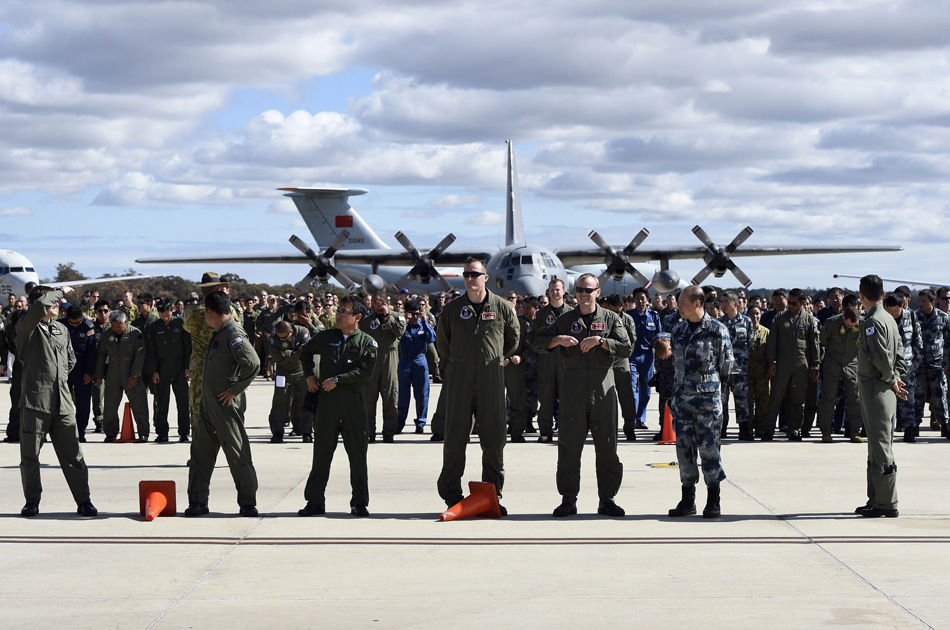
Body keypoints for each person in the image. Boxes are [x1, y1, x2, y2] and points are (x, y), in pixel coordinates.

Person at [535, 274, 631, 517]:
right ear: (574, 293)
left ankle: (607, 499)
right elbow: (536, 341)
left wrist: (601, 341)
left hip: (603, 391)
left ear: (598, 292)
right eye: (580, 290)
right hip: (573, 392)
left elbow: (627, 346)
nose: (584, 294)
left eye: (589, 290)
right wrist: (557, 340)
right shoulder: (566, 320)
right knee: (568, 448)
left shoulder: (610, 318)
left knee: (608, 448)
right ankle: (568, 500)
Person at [436, 257, 519, 512]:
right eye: (466, 274)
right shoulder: (452, 310)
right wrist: (461, 362)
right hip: (460, 381)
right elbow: (443, 343)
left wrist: (493, 359)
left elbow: (513, 338)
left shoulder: (503, 307)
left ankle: (491, 496)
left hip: (491, 380)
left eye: (475, 274)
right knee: (454, 438)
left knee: (494, 440)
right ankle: (452, 495)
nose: (470, 279)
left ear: (486, 277)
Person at [16, 285, 97, 518]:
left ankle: (84, 500)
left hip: (62, 402)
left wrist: (57, 379)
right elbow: (41, 306)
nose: (57, 304)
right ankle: (32, 501)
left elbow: (70, 361)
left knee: (74, 456)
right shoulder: (27, 327)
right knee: (30, 456)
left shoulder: (61, 328)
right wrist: (60, 290)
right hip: (35, 403)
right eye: (51, 300)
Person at [298, 295, 377, 517]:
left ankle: (359, 503)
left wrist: (339, 380)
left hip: (353, 405)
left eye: (344, 311)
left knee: (358, 457)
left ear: (357, 317)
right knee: (321, 454)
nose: (338, 314)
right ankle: (314, 502)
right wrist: (309, 376)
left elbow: (365, 371)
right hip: (327, 406)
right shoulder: (325, 337)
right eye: (339, 310)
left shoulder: (366, 342)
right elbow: (304, 353)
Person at [185, 291, 260, 517]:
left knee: (237, 453)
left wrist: (234, 390)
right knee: (200, 454)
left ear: (210, 313)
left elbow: (253, 363)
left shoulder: (232, 332)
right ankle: (198, 502)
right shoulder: (219, 333)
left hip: (225, 405)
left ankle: (247, 502)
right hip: (208, 404)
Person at [667, 285, 733, 519]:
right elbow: (675, 366)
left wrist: (716, 396)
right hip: (682, 403)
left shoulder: (717, 330)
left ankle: (713, 500)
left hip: (707, 405)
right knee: (684, 453)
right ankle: (688, 501)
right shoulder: (678, 331)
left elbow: (726, 367)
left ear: (697, 304)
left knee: (710, 452)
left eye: (682, 304)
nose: (679, 308)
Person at [855, 275, 907, 518]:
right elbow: (899, 354)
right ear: (883, 294)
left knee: (881, 445)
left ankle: (887, 502)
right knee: (876, 445)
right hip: (883, 387)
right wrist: (897, 377)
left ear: (861, 295)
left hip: (877, 387)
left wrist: (891, 379)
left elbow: (881, 357)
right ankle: (875, 498)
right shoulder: (889, 318)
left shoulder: (872, 322)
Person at [762, 288, 820, 441]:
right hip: (782, 364)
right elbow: (772, 341)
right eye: (790, 302)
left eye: (794, 303)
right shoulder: (780, 318)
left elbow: (814, 344)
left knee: (798, 400)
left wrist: (815, 364)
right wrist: (771, 362)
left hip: (801, 364)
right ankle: (768, 430)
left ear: (802, 303)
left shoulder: (809, 320)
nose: (791, 306)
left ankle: (794, 430)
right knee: (775, 397)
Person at [94, 310, 150, 442]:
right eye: (113, 326)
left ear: (126, 322)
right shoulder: (107, 335)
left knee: (139, 405)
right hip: (113, 375)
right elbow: (101, 355)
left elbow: (140, 355)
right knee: (110, 407)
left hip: (131, 375)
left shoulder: (135, 334)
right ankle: (111, 433)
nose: (116, 329)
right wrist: (99, 375)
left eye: (119, 326)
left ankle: (143, 433)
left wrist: (134, 375)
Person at [360, 293, 406, 442]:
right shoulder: (367, 320)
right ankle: (369, 432)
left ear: (385, 303)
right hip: (372, 358)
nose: (375, 305)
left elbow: (400, 332)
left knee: (391, 396)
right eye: (373, 303)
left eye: (378, 302)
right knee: (369, 398)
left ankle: (389, 432)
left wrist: (388, 317)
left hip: (390, 357)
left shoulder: (397, 317)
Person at [816, 296, 863, 443]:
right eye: (849, 325)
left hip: (852, 364)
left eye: (853, 325)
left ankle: (855, 431)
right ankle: (826, 432)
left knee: (855, 399)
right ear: (844, 317)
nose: (851, 327)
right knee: (828, 399)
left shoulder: (863, 324)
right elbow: (822, 342)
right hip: (833, 363)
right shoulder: (831, 323)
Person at [146, 299, 192, 443]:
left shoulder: (180, 324)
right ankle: (162, 433)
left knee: (183, 402)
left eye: (168, 314)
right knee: (162, 402)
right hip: (162, 369)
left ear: (172, 311)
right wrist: (154, 371)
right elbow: (151, 351)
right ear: (158, 313)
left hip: (179, 368)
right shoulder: (154, 327)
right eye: (163, 315)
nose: (166, 317)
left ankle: (184, 433)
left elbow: (188, 347)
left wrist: (188, 367)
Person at [884, 292, 923, 442]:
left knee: (908, 398)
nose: (894, 314)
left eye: (897, 311)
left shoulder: (911, 317)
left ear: (902, 306)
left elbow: (917, 341)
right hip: (888, 365)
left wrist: (916, 362)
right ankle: (886, 430)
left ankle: (909, 429)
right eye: (891, 311)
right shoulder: (883, 319)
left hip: (907, 364)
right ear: (886, 307)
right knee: (887, 399)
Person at [534, 279, 569, 442]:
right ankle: (545, 431)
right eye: (552, 290)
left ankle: (566, 430)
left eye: (558, 290)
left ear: (564, 291)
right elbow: (535, 339)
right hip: (547, 362)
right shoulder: (541, 314)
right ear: (548, 292)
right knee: (546, 399)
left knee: (567, 399)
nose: (555, 292)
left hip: (566, 363)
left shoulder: (572, 313)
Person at [267, 319, 312, 443]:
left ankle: (306, 431)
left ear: (291, 332)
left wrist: (286, 353)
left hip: (301, 372)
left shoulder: (303, 332)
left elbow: (305, 353)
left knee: (304, 401)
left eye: (284, 338)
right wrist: (294, 354)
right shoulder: (274, 336)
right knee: (279, 402)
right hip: (283, 373)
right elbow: (276, 357)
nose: (281, 340)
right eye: (280, 338)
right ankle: (277, 432)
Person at [914, 289, 950, 437]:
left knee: (940, 396)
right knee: (918, 397)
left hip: (937, 365)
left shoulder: (943, 318)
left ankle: (945, 426)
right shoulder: (914, 316)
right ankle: (913, 426)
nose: (921, 304)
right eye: (920, 301)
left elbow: (948, 342)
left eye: (924, 301)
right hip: (919, 365)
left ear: (932, 302)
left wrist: (946, 364)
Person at [58, 305, 97, 442]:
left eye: (77, 322)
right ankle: (64, 432)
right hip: (63, 370)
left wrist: (89, 372)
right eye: (72, 323)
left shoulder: (88, 327)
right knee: (62, 403)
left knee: (83, 404)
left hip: (82, 371)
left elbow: (92, 352)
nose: (75, 325)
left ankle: (80, 431)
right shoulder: (59, 325)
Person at [602, 294, 638, 440]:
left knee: (627, 395)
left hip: (622, 360)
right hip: (605, 360)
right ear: (607, 306)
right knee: (604, 396)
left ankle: (630, 427)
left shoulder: (628, 320)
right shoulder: (602, 318)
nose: (616, 313)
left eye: (619, 310)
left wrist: (624, 354)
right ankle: (606, 428)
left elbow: (632, 341)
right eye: (613, 310)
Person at [718, 291, 753, 440]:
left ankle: (744, 430)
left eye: (726, 301)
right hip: (723, 370)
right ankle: (721, 429)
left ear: (736, 303)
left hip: (740, 369)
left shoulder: (746, 322)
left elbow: (751, 344)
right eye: (722, 301)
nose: (723, 304)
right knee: (721, 400)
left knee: (742, 401)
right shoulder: (719, 323)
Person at [627, 287, 662, 432]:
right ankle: (633, 418)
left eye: (643, 298)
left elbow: (660, 337)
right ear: (634, 300)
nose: (641, 301)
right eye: (638, 298)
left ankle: (640, 419)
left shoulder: (654, 316)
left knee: (646, 390)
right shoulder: (628, 316)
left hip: (648, 356)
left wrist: (660, 359)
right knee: (632, 386)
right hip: (632, 355)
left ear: (647, 300)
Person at [398, 299, 436, 434]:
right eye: (411, 314)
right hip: (405, 361)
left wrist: (425, 322)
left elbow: (431, 338)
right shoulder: (403, 326)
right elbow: (397, 336)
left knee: (422, 394)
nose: (414, 317)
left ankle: (420, 422)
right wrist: (404, 322)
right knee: (403, 394)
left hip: (420, 361)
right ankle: (399, 422)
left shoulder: (422, 325)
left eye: (416, 314)